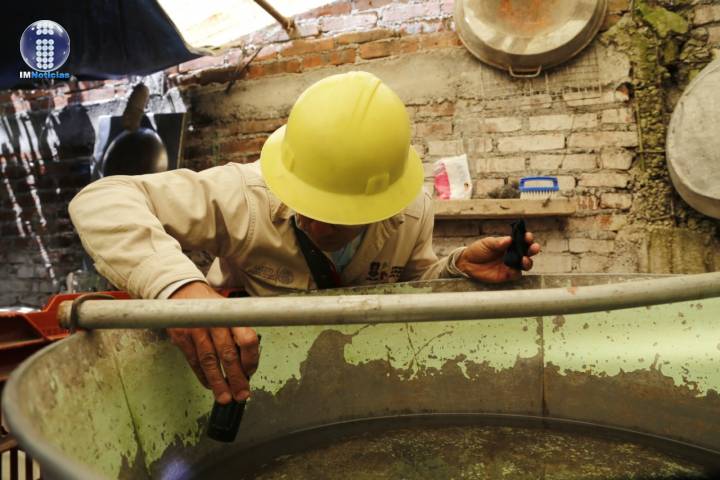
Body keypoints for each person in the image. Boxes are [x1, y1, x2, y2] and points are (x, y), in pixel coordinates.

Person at [69, 71, 541, 406]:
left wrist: (454, 269)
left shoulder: (412, 210)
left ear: (383, 201)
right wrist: (180, 290)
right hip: (254, 375)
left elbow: (409, 281)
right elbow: (101, 201)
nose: (318, 225)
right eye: (308, 203)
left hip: (360, 376)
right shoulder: (243, 194)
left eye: (340, 215)